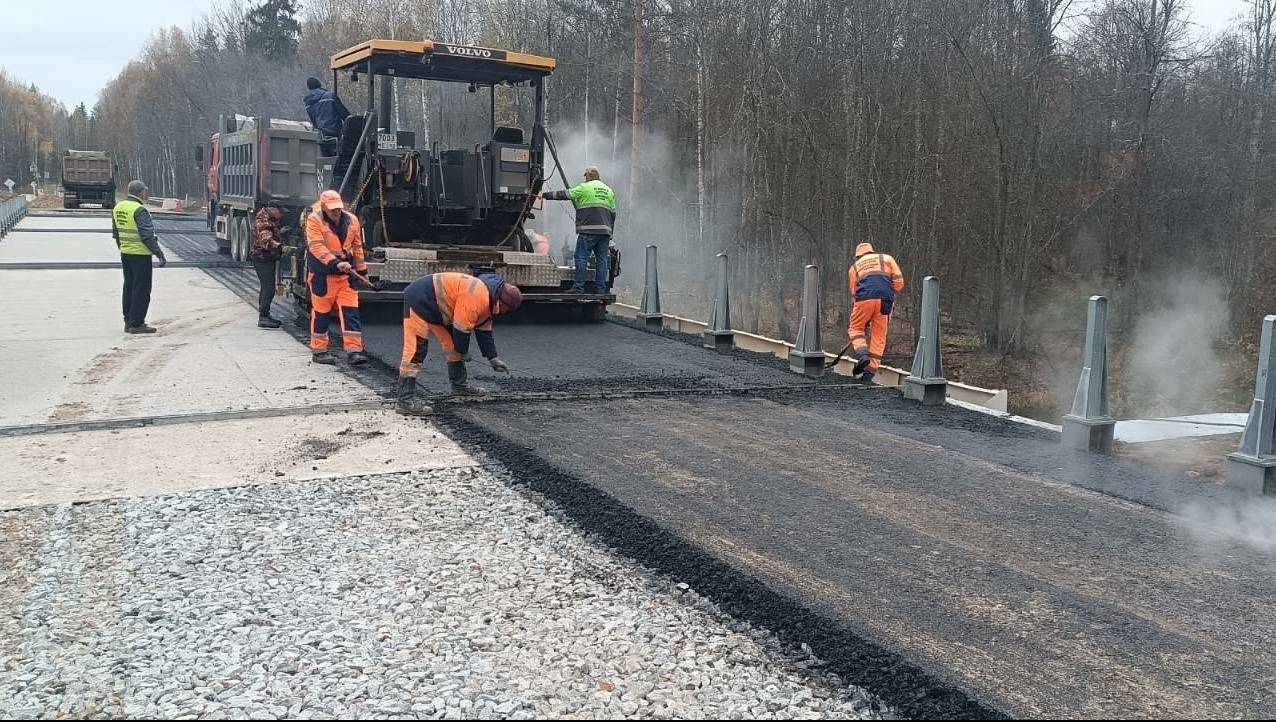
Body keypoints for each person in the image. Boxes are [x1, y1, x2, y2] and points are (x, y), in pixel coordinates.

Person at [396, 272, 522, 416]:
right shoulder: (478, 296)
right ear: (501, 302)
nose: (505, 312)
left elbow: (484, 333)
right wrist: (464, 351)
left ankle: (459, 386)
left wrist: (493, 359)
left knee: (453, 348)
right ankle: (404, 401)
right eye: (507, 309)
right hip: (420, 299)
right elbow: (461, 329)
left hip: (437, 309)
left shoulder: (488, 301)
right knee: (416, 350)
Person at [305, 189, 367, 365]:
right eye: (332, 208)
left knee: (351, 313)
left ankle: (354, 351)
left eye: (338, 207)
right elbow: (316, 247)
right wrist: (335, 263)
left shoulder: (352, 220)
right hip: (323, 277)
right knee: (321, 314)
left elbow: (357, 247)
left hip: (346, 278)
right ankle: (319, 351)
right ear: (324, 207)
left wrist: (362, 271)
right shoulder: (314, 220)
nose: (336, 211)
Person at [540, 166, 617, 293]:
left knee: (581, 257)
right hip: (604, 232)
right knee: (602, 260)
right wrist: (610, 233)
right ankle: (600, 288)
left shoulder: (584, 187)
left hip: (588, 231)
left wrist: (545, 195)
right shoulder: (608, 191)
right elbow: (613, 214)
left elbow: (564, 194)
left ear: (588, 176)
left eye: (585, 176)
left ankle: (578, 287)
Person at [111, 180, 167, 334]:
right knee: (141, 290)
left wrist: (123, 247)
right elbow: (147, 235)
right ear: (140, 192)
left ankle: (128, 321)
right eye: (144, 191)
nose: (145, 193)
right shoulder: (139, 210)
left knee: (129, 287)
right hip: (141, 255)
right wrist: (159, 254)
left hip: (126, 253)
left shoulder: (118, 207)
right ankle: (137, 323)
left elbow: (116, 233)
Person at [846, 242, 905, 385]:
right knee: (879, 337)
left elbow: (854, 294)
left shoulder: (854, 267)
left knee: (855, 328)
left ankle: (862, 355)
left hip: (864, 299)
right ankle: (869, 374)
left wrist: (863, 317)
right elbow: (899, 284)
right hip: (886, 300)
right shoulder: (887, 259)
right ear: (872, 252)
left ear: (858, 256)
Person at [251, 202, 286, 328]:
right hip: (262, 258)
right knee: (268, 288)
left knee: (266, 287)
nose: (281, 215)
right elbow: (266, 241)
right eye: (280, 212)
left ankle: (265, 314)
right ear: (272, 209)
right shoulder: (264, 222)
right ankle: (263, 317)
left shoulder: (269, 220)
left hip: (266, 258)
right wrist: (282, 247)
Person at [304, 77, 350, 157]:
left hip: (323, 138)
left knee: (327, 162)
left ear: (308, 88)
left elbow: (314, 121)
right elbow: (344, 114)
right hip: (336, 134)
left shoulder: (308, 103)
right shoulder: (330, 96)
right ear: (319, 84)